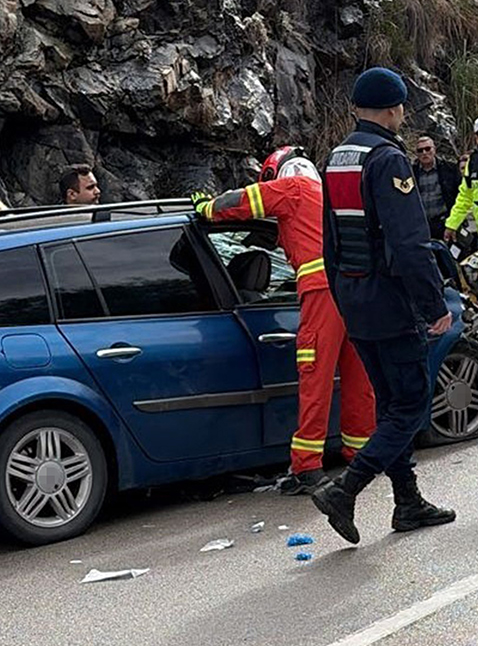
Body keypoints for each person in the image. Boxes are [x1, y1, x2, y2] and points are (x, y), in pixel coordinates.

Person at [313, 67, 456, 543]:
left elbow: (329, 241)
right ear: (394, 109)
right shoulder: (388, 160)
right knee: (412, 404)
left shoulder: (336, 159)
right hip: (390, 302)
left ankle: (408, 501)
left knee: (391, 404)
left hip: (354, 300)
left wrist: (343, 296)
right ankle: (346, 490)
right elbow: (410, 243)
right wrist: (434, 303)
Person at [192, 147, 377, 495]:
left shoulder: (292, 190)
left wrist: (206, 207)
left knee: (315, 375)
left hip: (322, 294)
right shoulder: (328, 194)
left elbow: (240, 201)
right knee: (357, 374)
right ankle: (362, 454)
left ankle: (307, 467)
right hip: (353, 290)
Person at [412, 135, 461, 240]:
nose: (424, 153)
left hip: (444, 222)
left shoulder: (450, 169)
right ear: (416, 153)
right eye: (420, 150)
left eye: (428, 149)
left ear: (434, 149)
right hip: (420, 225)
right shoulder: (411, 172)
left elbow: (460, 196)